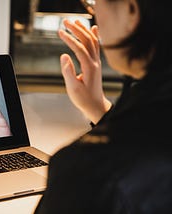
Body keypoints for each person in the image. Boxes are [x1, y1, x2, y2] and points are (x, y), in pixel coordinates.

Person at [35, 0, 172, 213]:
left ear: (131, 9)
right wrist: (100, 110)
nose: (94, 14)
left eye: (94, 3)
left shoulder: (91, 174)